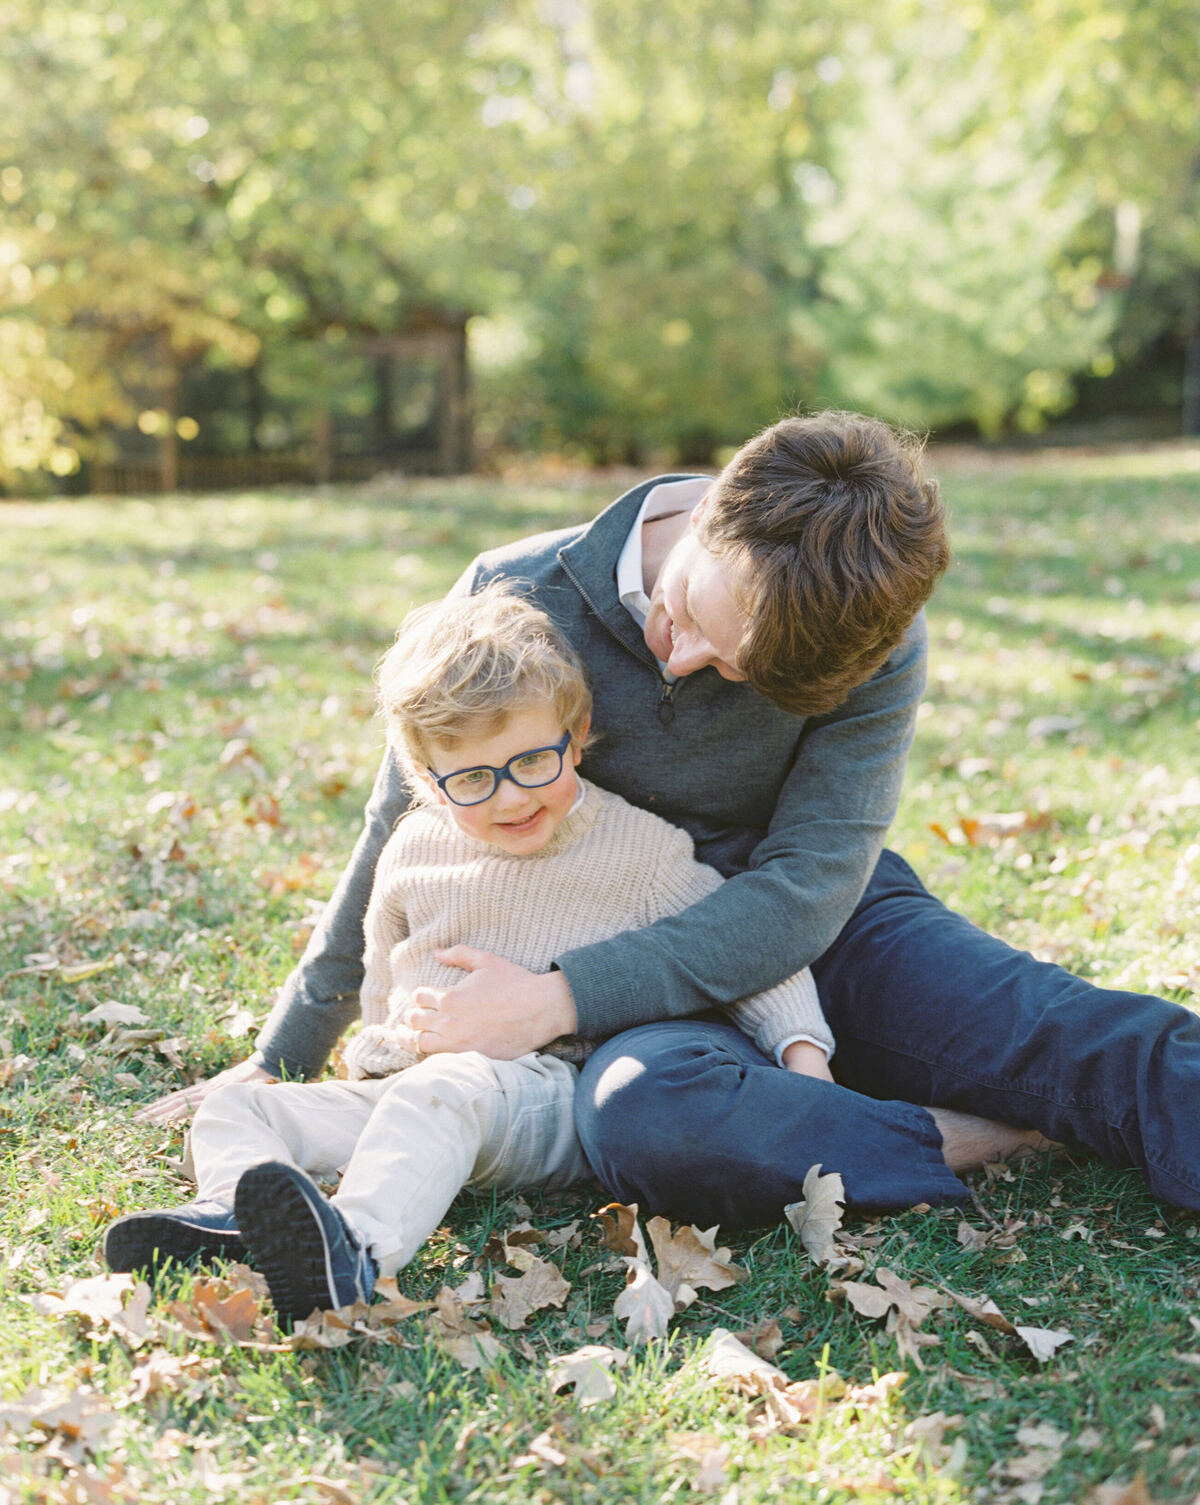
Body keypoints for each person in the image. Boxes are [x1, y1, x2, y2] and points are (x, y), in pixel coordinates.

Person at [139, 409, 1200, 1228]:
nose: (683, 658)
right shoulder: (512, 593)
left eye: (735, 670)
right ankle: (973, 1130)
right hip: (619, 965)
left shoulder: (875, 642)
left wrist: (552, 1002)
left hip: (813, 926)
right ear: (712, 507)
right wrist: (282, 1057)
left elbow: (804, 890)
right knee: (648, 1116)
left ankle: (905, 1092)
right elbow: (393, 834)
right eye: (692, 614)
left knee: (1061, 1033)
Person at [106, 587, 836, 1320]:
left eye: (531, 762)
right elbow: (385, 970)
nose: (511, 798)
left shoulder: (641, 852)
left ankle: (354, 1251)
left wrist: (805, 1059)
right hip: (420, 1095)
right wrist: (378, 1052)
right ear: (424, 779)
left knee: (445, 1089)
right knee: (242, 1106)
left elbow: (750, 951)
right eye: (474, 779)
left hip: (548, 1096)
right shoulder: (413, 849)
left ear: (576, 735)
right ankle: (233, 1216)